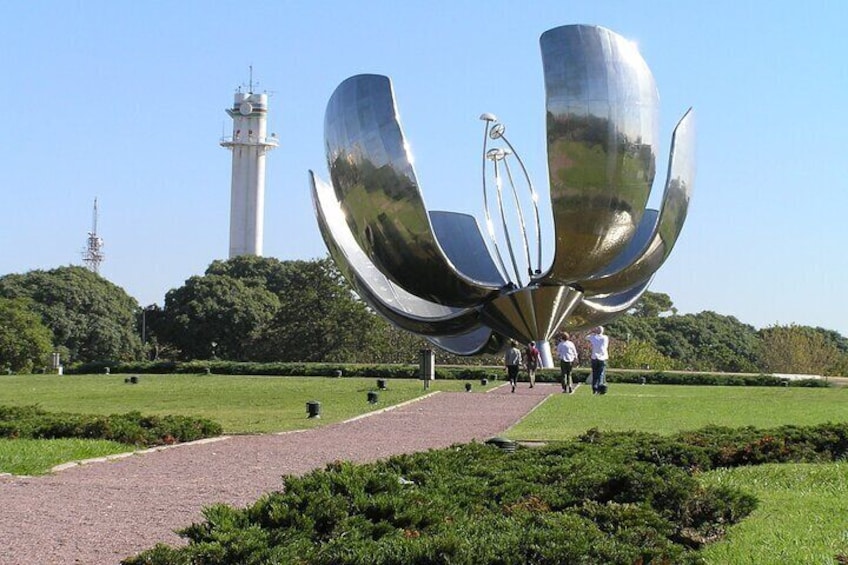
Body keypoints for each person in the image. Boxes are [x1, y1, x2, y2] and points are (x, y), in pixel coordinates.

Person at [587, 326, 610, 394]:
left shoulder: (593, 337)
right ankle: (600, 387)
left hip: (594, 357)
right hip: (602, 357)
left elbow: (586, 337)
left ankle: (594, 388)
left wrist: (592, 332)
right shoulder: (605, 337)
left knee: (595, 374)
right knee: (601, 373)